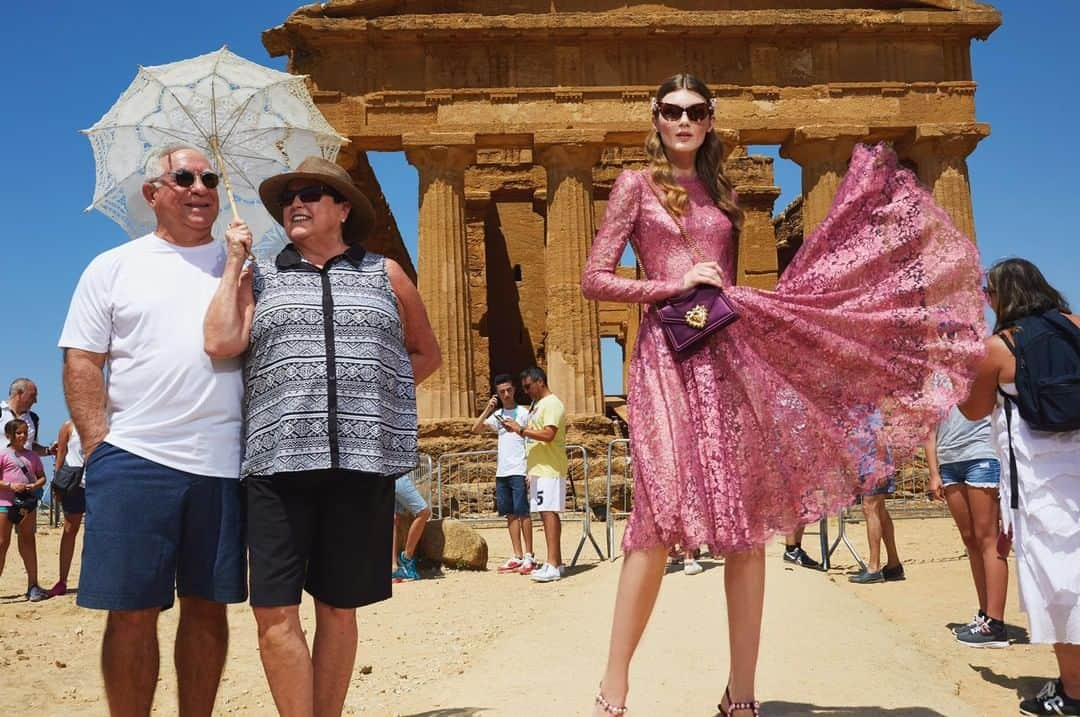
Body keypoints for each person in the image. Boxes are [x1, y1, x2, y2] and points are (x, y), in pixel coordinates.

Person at [581, 73, 985, 716]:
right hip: (665, 356)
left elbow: (727, 290)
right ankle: (615, 682)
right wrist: (672, 282)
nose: (683, 121)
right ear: (654, 118)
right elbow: (593, 280)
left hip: (724, 356)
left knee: (745, 528)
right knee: (655, 518)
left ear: (710, 120)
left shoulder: (724, 192)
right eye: (671, 111)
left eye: (696, 111)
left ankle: (741, 694)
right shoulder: (635, 184)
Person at [204, 155, 441, 716]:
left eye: (310, 193)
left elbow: (426, 353)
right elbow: (219, 342)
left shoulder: (385, 273)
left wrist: (375, 395)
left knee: (339, 607)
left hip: (360, 462)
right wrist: (234, 259)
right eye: (287, 197)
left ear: (342, 209)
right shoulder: (259, 273)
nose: (294, 204)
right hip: (277, 461)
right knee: (275, 611)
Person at [59, 144, 247, 716]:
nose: (199, 187)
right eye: (184, 177)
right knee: (132, 611)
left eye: (209, 177)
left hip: (221, 462)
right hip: (136, 457)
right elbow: (83, 360)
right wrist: (98, 448)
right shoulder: (113, 266)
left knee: (208, 609)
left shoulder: (244, 266)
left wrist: (240, 261)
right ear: (153, 193)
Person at [958, 258, 1080, 715]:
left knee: (1060, 583)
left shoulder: (1000, 347)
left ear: (1001, 296)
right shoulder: (1076, 325)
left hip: (1043, 485)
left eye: (989, 292)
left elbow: (972, 411)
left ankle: (1072, 693)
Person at [925, 406, 1008, 647]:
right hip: (949, 461)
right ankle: (984, 615)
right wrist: (933, 472)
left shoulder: (982, 368)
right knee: (970, 539)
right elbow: (929, 428)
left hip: (981, 453)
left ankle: (996, 623)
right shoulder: (933, 378)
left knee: (987, 538)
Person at [500, 367, 567, 584]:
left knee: (549, 514)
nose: (526, 391)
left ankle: (553, 565)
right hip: (539, 469)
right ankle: (556, 562)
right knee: (545, 514)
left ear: (540, 382)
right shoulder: (537, 406)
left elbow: (549, 434)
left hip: (550, 467)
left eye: (528, 386)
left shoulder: (552, 404)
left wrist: (520, 430)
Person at [470, 373, 534, 574]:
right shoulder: (497, 416)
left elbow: (530, 442)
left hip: (519, 469)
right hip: (503, 471)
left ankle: (530, 556)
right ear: (497, 393)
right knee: (510, 515)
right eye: (501, 391)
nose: (506, 394)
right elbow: (475, 429)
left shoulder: (523, 413)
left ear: (514, 389)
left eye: (508, 390)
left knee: (524, 513)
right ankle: (517, 555)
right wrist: (488, 409)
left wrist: (530, 471)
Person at [0, 419, 48, 601]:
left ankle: (33, 585)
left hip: (27, 505)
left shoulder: (33, 456)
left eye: (24, 432)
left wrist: (35, 484)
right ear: (9, 435)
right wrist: (11, 486)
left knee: (28, 542)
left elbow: (42, 477)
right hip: (4, 503)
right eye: (18, 433)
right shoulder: (3, 454)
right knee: (2, 544)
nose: (22, 436)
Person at [48, 419, 86, 597]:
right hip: (74, 484)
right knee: (70, 530)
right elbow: (60, 454)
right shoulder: (69, 426)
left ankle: (95, 579)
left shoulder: (109, 423)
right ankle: (62, 580)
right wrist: (56, 484)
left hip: (101, 483)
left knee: (100, 532)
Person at [391, 473, 432, 582]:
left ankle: (394, 568)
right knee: (424, 512)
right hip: (398, 474)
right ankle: (406, 558)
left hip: (387, 472)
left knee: (394, 519)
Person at [1, 378, 56, 457]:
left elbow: (31, 447)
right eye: (32, 396)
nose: (35, 401)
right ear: (19, 394)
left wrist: (49, 450)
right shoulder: (1, 412)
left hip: (26, 468)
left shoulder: (33, 418)